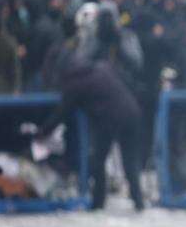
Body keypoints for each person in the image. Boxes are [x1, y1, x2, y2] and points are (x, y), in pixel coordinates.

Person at [56, 53, 146, 211]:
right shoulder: (102, 69)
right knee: (130, 161)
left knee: (98, 161)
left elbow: (62, 112)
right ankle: (138, 201)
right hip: (132, 112)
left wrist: (42, 130)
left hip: (109, 119)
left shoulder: (75, 83)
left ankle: (98, 202)